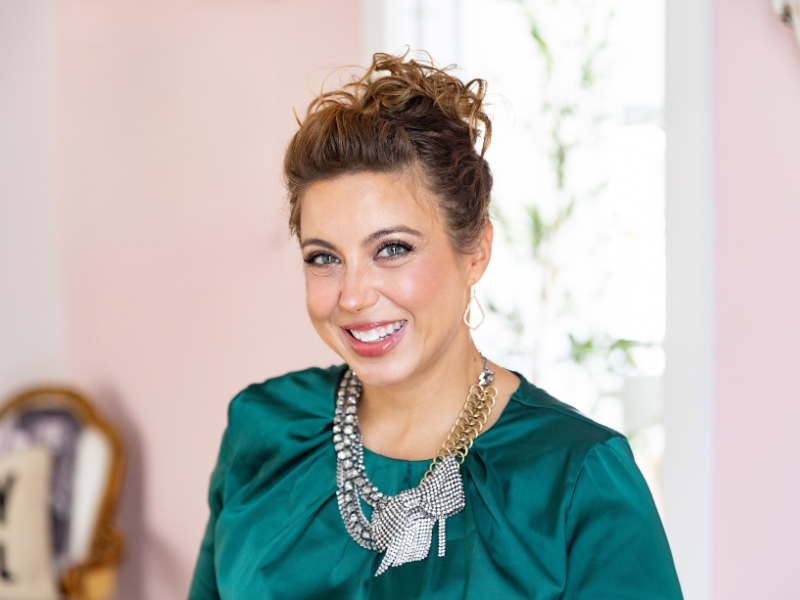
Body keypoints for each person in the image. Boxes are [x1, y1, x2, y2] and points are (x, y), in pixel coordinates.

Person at [187, 52, 683, 599]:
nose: (352, 296)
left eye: (392, 249)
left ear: (476, 252)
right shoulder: (263, 431)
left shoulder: (578, 478)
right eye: (323, 257)